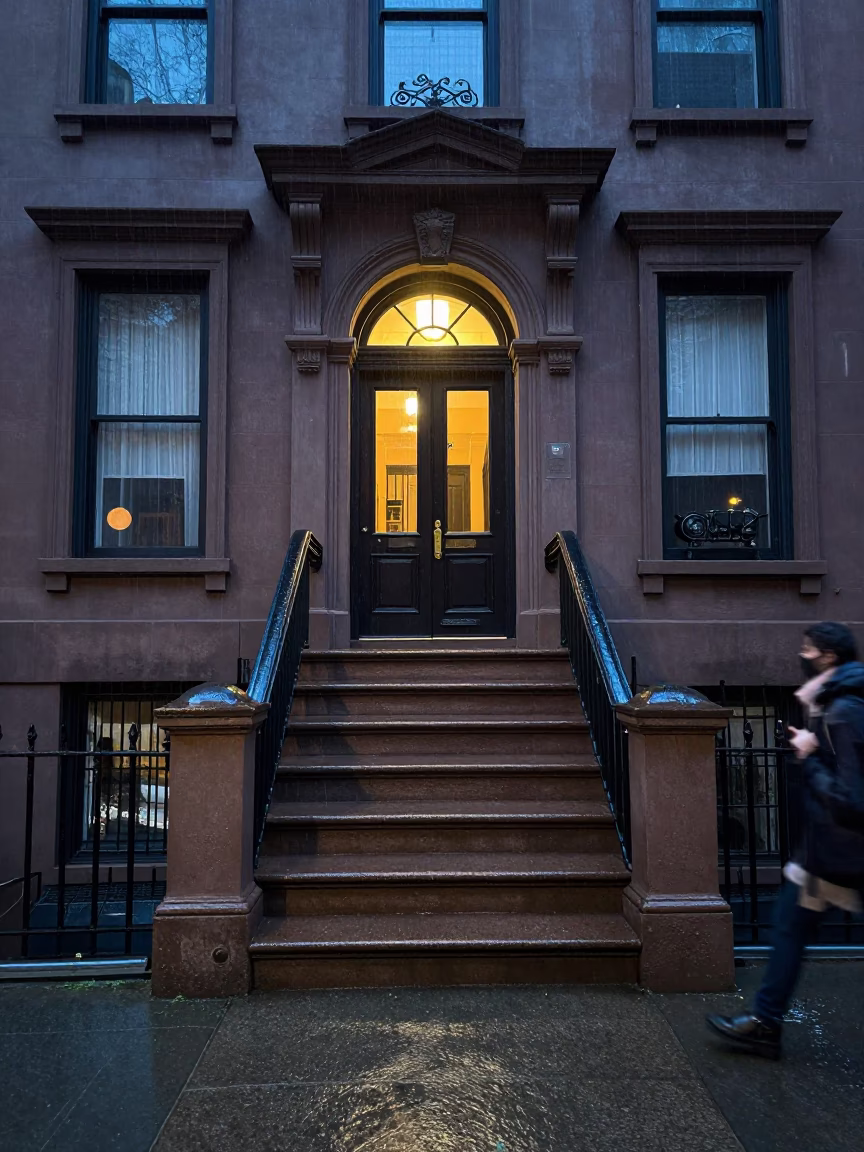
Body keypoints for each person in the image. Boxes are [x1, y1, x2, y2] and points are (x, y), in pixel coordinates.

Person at [707, 622, 864, 1059]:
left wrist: (811, 757)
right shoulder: (835, 704)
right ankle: (765, 1021)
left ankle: (765, 1022)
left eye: (808, 649)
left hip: (842, 851)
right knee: (789, 927)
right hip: (829, 853)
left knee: (789, 928)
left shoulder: (845, 710)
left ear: (829, 657)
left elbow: (852, 801)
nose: (802, 654)